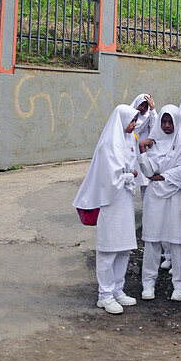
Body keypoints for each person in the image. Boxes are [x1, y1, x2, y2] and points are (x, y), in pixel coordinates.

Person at [73, 104, 140, 315]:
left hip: (125, 202)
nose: (134, 125)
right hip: (111, 204)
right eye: (132, 121)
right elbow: (111, 180)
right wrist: (130, 176)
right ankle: (105, 294)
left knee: (123, 248)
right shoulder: (108, 146)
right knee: (108, 250)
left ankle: (118, 289)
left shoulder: (128, 141)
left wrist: (131, 175)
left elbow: (132, 167)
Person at [137, 105, 181, 301]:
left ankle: (179, 283)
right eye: (164, 122)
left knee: (177, 241)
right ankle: (148, 283)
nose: (167, 126)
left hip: (176, 196)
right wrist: (142, 150)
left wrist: (162, 176)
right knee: (152, 240)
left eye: (170, 122)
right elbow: (148, 171)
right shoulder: (153, 143)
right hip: (155, 197)